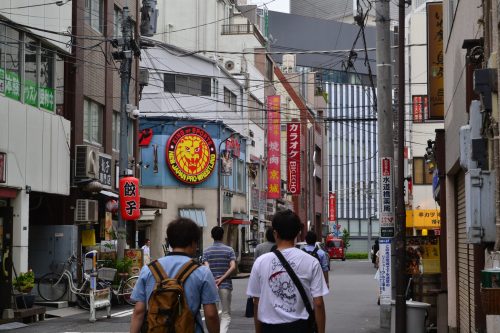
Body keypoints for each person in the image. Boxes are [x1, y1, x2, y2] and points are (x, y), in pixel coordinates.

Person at [129, 218, 220, 333]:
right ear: (193, 242)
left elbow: (139, 311)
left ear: (170, 241)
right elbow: (211, 314)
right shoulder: (202, 272)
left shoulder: (149, 269)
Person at [247, 210, 328, 333]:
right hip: (300, 327)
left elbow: (256, 302)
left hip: (270, 328)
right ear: (297, 233)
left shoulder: (260, 262)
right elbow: (318, 304)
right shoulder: (311, 262)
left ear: (275, 233)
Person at [202, 226, 236, 333]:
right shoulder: (229, 250)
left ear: (212, 236)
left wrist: (214, 280)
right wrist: (221, 279)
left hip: (212, 286)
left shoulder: (206, 251)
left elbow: (207, 268)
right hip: (225, 285)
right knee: (226, 313)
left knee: (213, 313)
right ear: (222, 236)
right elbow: (233, 267)